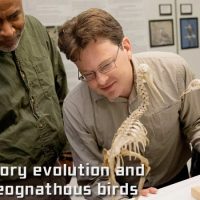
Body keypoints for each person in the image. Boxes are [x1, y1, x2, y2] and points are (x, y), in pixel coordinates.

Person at [58, 8, 200, 199]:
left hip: (177, 180)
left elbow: (196, 124)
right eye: (88, 74)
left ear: (126, 47)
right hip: (121, 189)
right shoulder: (75, 108)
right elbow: (92, 180)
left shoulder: (173, 70)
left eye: (106, 65)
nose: (101, 81)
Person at [0, 0, 71, 199]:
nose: (8, 31)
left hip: (55, 174)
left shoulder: (36, 29)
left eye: (14, 16)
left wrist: (67, 153)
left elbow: (60, 93)